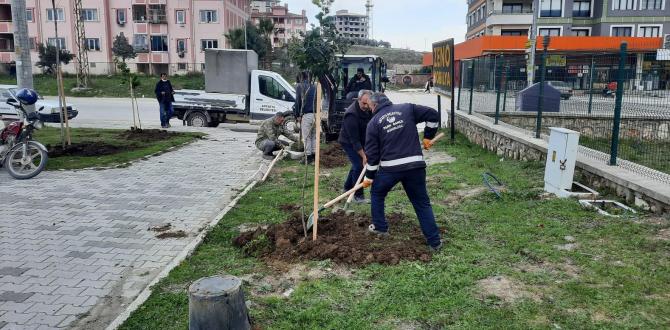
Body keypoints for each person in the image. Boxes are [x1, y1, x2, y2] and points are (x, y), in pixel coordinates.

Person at [362, 92, 443, 252]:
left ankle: (380, 227)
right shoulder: (407, 108)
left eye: (370, 106)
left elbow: (372, 156)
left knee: (377, 193)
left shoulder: (373, 123)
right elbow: (433, 115)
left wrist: (369, 177)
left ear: (375, 105)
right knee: (421, 203)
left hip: (391, 169)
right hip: (415, 166)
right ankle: (435, 242)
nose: (370, 109)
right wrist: (428, 136)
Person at [338, 89, 373, 203]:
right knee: (359, 166)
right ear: (358, 100)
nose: (366, 106)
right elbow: (355, 141)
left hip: (360, 140)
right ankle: (358, 195)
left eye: (368, 103)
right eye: (363, 103)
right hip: (348, 142)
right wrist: (363, 156)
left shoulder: (369, 109)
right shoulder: (351, 115)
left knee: (355, 166)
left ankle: (347, 188)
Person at [293, 71, 317, 164]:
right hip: (315, 115)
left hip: (306, 115)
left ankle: (308, 158)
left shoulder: (300, 87)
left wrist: (297, 115)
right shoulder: (314, 87)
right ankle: (314, 157)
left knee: (306, 137)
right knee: (314, 136)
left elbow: (298, 101)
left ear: (302, 77)